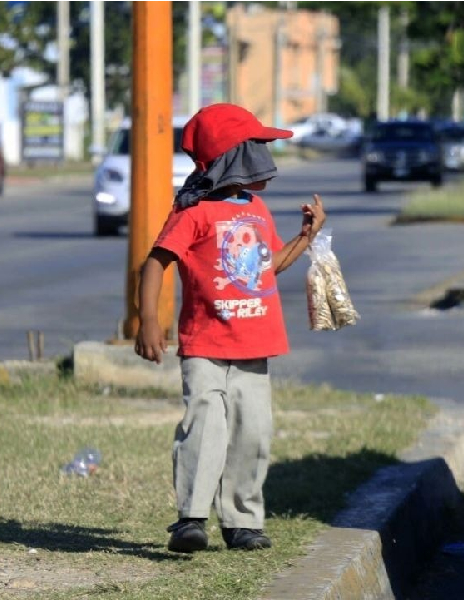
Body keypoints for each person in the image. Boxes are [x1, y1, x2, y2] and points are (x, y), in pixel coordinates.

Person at [134, 103, 326, 553]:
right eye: (257, 147)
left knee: (252, 431)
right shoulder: (194, 212)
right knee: (205, 426)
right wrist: (148, 321)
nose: (266, 158)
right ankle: (191, 519)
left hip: (254, 345)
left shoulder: (257, 209)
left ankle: (242, 522)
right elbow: (155, 263)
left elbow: (268, 267)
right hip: (205, 343)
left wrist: (306, 236)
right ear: (234, 156)